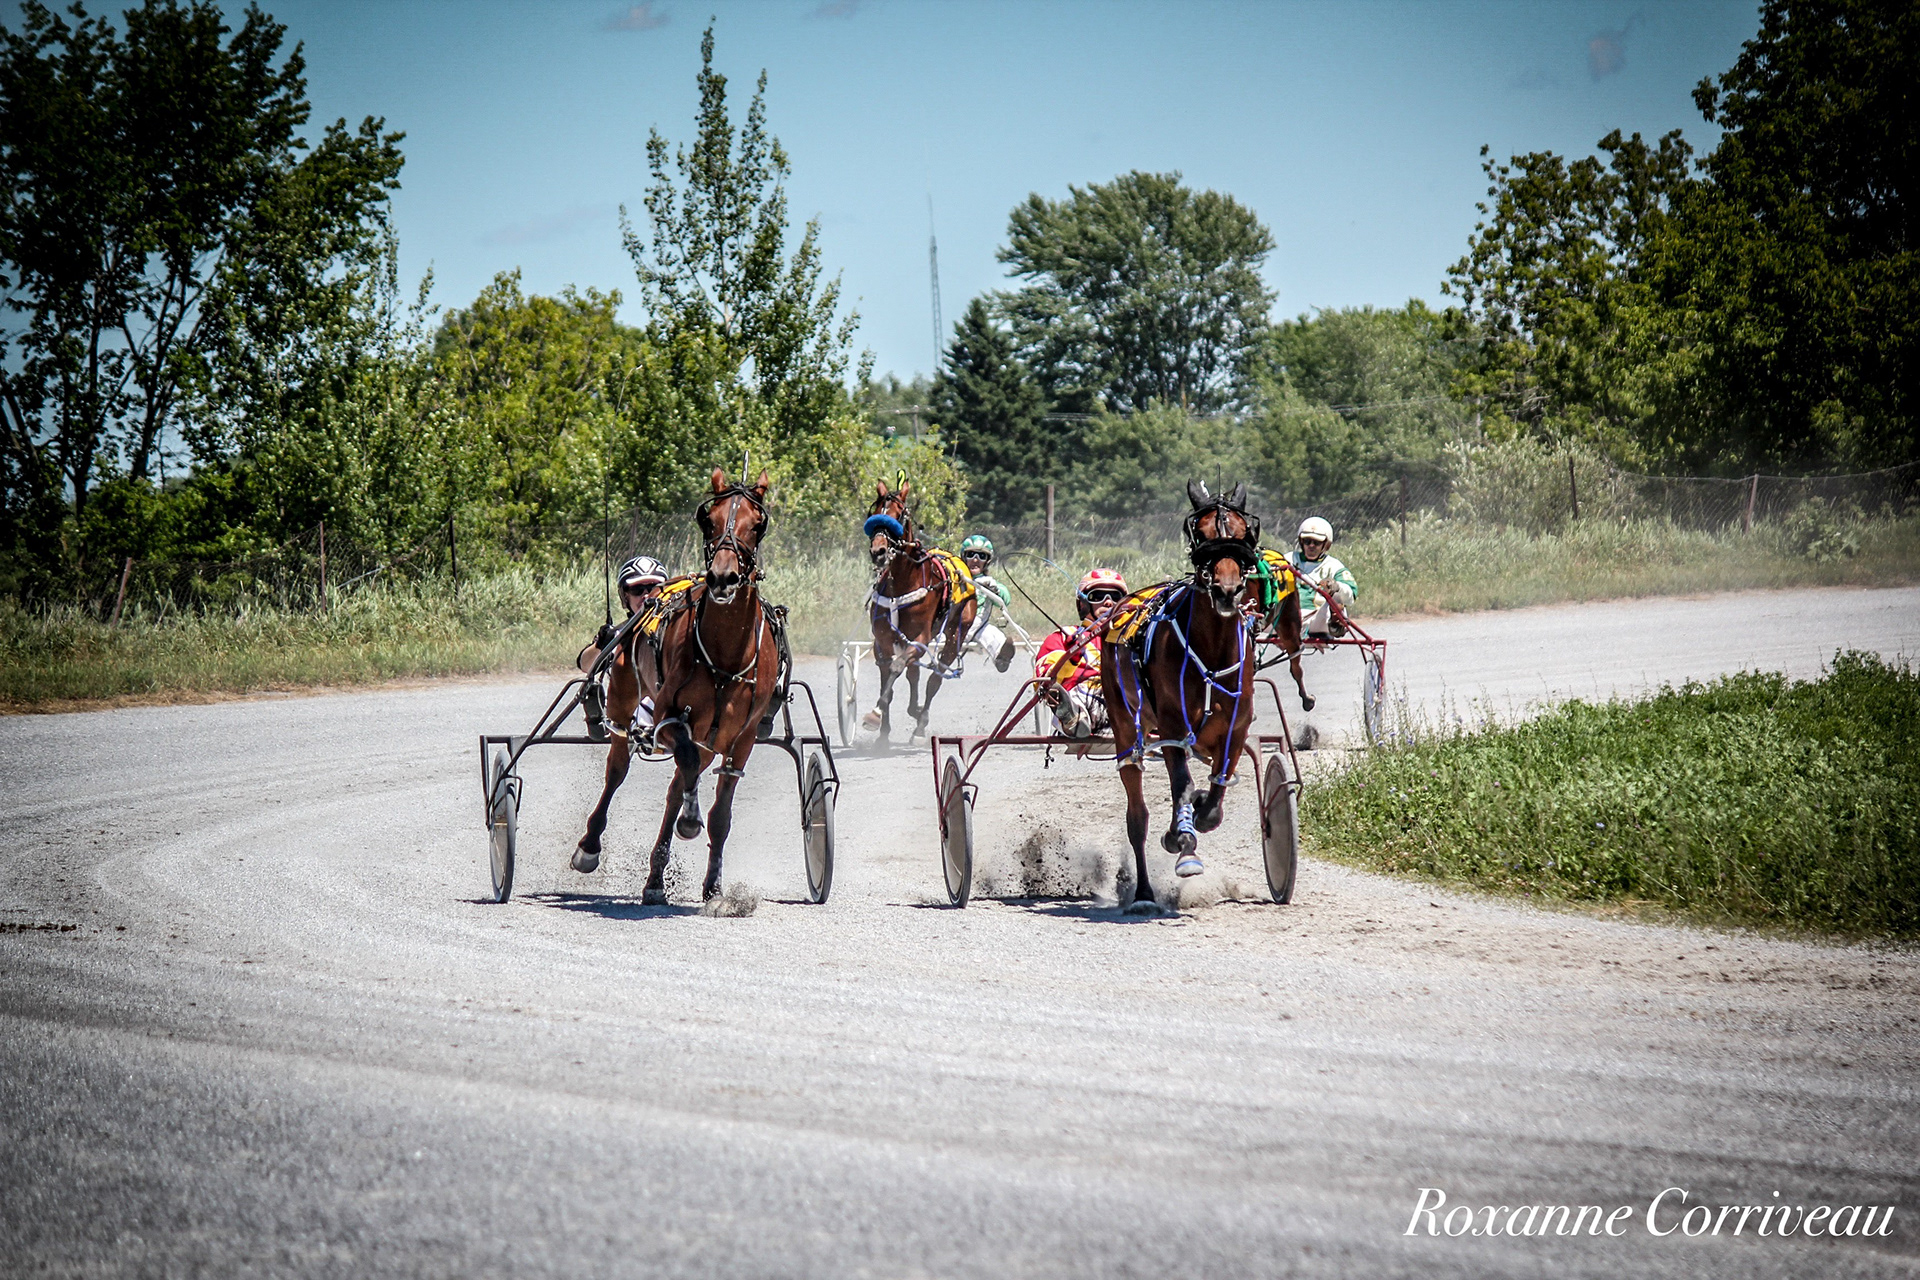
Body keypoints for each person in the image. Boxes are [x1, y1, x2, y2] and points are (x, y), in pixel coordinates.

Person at [577, 554, 672, 738]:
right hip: (629, 720)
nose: (646, 595)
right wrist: (601, 645)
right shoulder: (618, 634)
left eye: (653, 587)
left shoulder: (678, 633)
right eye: (637, 589)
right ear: (625, 596)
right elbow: (585, 665)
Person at [1034, 568, 1127, 739]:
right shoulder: (1064, 635)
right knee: (1076, 696)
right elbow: (1044, 679)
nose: (1108, 603)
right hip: (1086, 699)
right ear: (1083, 603)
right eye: (1098, 596)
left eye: (1115, 597)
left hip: (1128, 698)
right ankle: (1071, 718)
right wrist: (1071, 655)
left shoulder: (1133, 637)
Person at [1287, 517, 1359, 638]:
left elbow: (1351, 596)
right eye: (1307, 541)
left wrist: (1336, 587)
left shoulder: (1333, 566)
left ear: (1326, 545)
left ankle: (1336, 626)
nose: (1311, 546)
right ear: (1301, 541)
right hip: (1286, 618)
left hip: (1317, 620)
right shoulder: (1288, 559)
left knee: (1336, 598)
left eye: (1317, 542)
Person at [958, 534, 1018, 673]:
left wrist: (995, 588)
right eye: (971, 554)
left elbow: (1006, 599)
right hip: (954, 625)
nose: (975, 559)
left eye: (981, 556)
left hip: (979, 626)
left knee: (995, 636)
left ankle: (1002, 659)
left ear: (987, 561)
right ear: (963, 557)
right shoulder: (955, 578)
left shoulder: (989, 582)